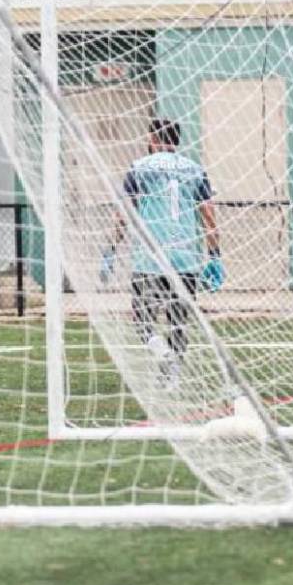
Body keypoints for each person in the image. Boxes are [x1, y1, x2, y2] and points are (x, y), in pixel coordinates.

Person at [101, 118, 223, 388]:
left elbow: (125, 214)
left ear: (153, 139)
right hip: (186, 259)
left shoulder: (139, 168)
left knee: (142, 317)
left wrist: (110, 250)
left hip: (150, 258)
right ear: (176, 141)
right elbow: (209, 216)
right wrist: (215, 256)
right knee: (178, 320)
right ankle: (173, 377)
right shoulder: (195, 170)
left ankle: (161, 352)